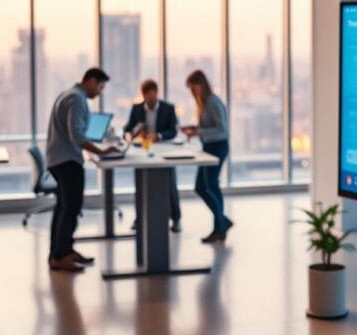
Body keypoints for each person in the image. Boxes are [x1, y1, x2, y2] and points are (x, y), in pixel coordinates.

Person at [45, 68, 119, 272]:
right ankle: (59, 257)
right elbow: (76, 135)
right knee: (71, 209)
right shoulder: (77, 99)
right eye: (100, 87)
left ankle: (63, 252)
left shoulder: (68, 94)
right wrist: (100, 151)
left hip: (58, 158)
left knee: (63, 208)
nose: (100, 92)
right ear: (91, 81)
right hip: (67, 160)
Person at [180, 70, 233, 243]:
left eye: (193, 88)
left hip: (217, 147)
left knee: (211, 185)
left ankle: (220, 227)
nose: (192, 93)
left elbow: (222, 130)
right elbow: (208, 126)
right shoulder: (204, 103)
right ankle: (222, 221)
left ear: (200, 85)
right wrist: (194, 129)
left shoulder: (213, 102)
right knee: (201, 187)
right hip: (209, 147)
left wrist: (198, 132)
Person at [124, 78, 181, 233]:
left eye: (151, 96)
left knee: (170, 184)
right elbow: (127, 129)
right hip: (143, 150)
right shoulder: (137, 108)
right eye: (146, 96)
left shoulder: (168, 108)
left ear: (156, 93)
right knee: (140, 184)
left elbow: (173, 131)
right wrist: (134, 133)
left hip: (164, 150)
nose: (149, 99)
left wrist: (159, 136)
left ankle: (175, 219)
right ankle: (140, 218)